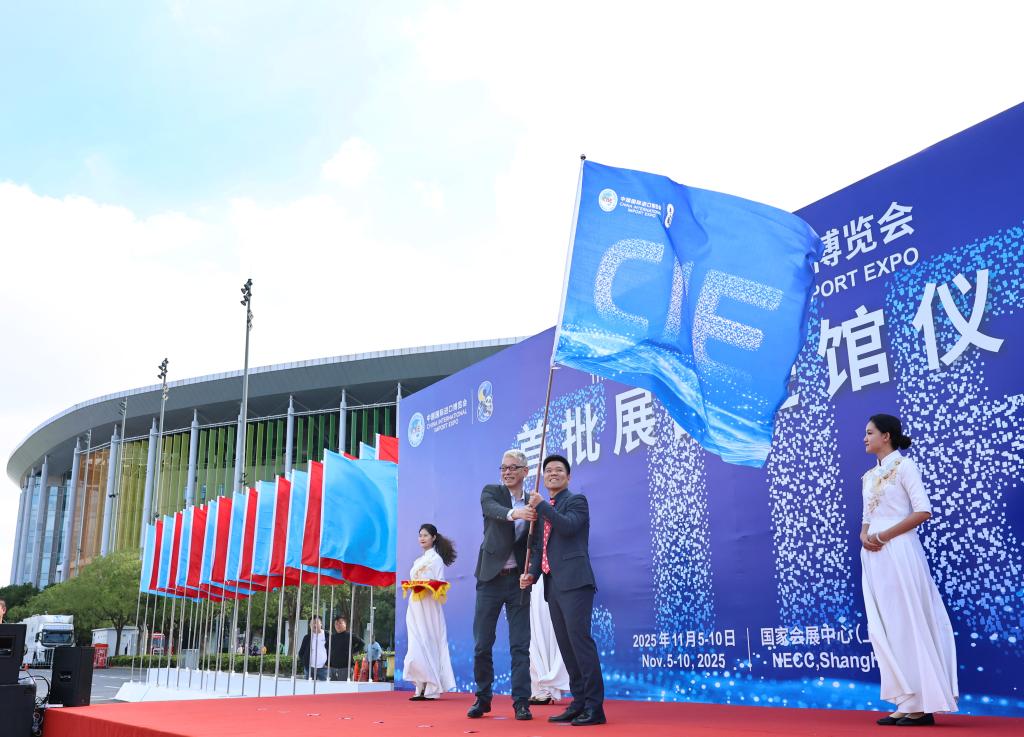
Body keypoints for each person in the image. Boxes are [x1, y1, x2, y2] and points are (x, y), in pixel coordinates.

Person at [860, 414, 958, 726]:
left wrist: (884, 536)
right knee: (888, 626)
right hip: (874, 556)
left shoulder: (905, 467)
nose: (865, 438)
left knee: (909, 622)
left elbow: (922, 511)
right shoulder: (868, 476)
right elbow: (867, 517)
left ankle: (922, 704)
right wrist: (865, 536)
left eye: (870, 433)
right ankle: (905, 701)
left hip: (900, 551)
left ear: (886, 436)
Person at [522, 454, 606, 726]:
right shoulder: (543, 509)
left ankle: (595, 707)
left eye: (559, 470)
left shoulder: (576, 501)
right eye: (548, 470)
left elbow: (568, 527)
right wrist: (531, 575)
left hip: (576, 582)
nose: (552, 473)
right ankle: (579, 702)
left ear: (568, 477)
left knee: (580, 643)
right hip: (553, 584)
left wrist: (541, 506)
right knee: (567, 647)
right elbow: (539, 549)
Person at [467, 450, 538, 722]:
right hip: (490, 579)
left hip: (518, 581)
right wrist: (515, 513)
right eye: (504, 468)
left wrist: (531, 573)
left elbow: (535, 544)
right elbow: (492, 510)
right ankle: (483, 698)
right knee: (482, 643)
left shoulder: (533, 502)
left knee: (520, 645)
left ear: (525, 471)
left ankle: (521, 702)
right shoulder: (492, 492)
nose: (507, 472)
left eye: (513, 467)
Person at [403, 524, 457, 700]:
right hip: (415, 605)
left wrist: (427, 586)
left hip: (429, 606)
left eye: (426, 535)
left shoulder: (436, 559)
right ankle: (419, 686)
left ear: (433, 537)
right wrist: (413, 585)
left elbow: (440, 583)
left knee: (429, 641)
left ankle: (432, 688)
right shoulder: (418, 561)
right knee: (415, 644)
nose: (422, 538)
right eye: (420, 535)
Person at [528, 574, 570, 705]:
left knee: (550, 632)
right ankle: (540, 688)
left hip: (550, 579)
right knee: (532, 635)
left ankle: (549, 685)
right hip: (528, 580)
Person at [329, 615, 363, 681]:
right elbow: (327, 648)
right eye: (336, 624)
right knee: (333, 687)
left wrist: (352, 651)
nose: (338, 625)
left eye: (340, 623)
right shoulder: (332, 637)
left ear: (345, 624)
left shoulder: (350, 635)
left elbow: (362, 643)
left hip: (346, 668)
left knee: (346, 686)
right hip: (333, 668)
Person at [298, 615, 329, 681]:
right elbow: (301, 653)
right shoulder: (307, 637)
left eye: (316, 623)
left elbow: (333, 651)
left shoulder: (328, 635)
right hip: (309, 669)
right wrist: (306, 663)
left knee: (325, 687)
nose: (314, 625)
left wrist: (328, 663)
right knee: (308, 687)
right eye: (312, 623)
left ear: (321, 623)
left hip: (324, 669)